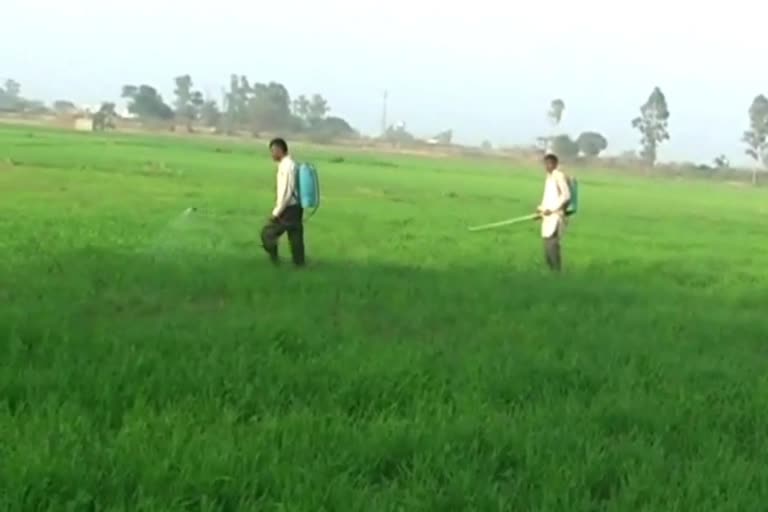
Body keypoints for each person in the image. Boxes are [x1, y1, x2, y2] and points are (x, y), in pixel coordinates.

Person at [260, 138, 305, 267]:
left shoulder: (287, 166)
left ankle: (275, 262)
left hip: (288, 208)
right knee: (295, 236)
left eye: (273, 151)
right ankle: (299, 265)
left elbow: (287, 191)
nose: (272, 154)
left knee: (267, 233)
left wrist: (276, 212)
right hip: (296, 206)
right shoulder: (290, 164)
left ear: (279, 150)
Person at [537, 153, 571, 272]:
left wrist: (551, 210)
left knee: (552, 246)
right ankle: (553, 274)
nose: (547, 166)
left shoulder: (559, 176)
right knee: (547, 249)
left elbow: (566, 195)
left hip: (556, 217)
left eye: (550, 163)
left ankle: (558, 274)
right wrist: (540, 210)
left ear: (555, 164)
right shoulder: (549, 177)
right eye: (546, 163)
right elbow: (548, 198)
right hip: (547, 217)